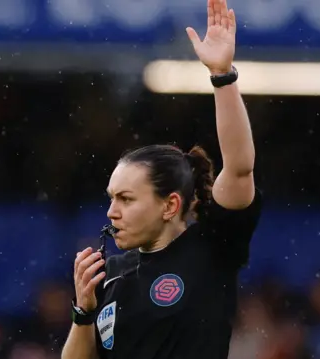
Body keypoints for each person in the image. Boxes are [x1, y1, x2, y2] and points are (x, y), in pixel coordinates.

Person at [61, 0, 261, 357]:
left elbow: (240, 167)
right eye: (111, 198)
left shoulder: (213, 247)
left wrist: (222, 76)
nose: (111, 212)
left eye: (126, 199)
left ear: (170, 205)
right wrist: (83, 313)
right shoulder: (112, 274)